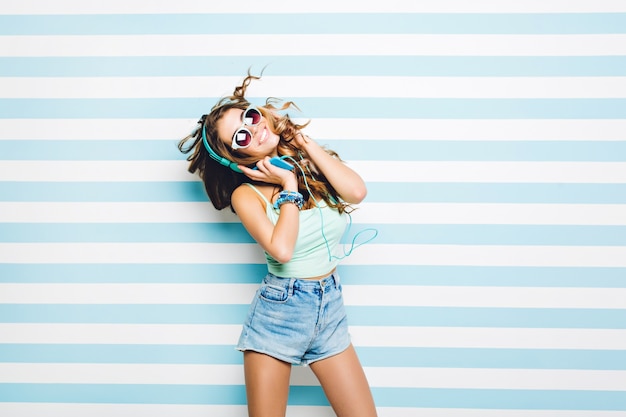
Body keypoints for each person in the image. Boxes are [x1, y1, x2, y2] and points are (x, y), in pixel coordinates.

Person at [178, 73, 378, 417]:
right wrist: (288, 183)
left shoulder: (310, 164)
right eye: (241, 136)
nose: (253, 129)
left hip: (329, 307)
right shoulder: (247, 195)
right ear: (236, 159)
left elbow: (356, 192)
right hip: (280, 313)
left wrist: (302, 142)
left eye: (249, 117)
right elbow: (281, 251)